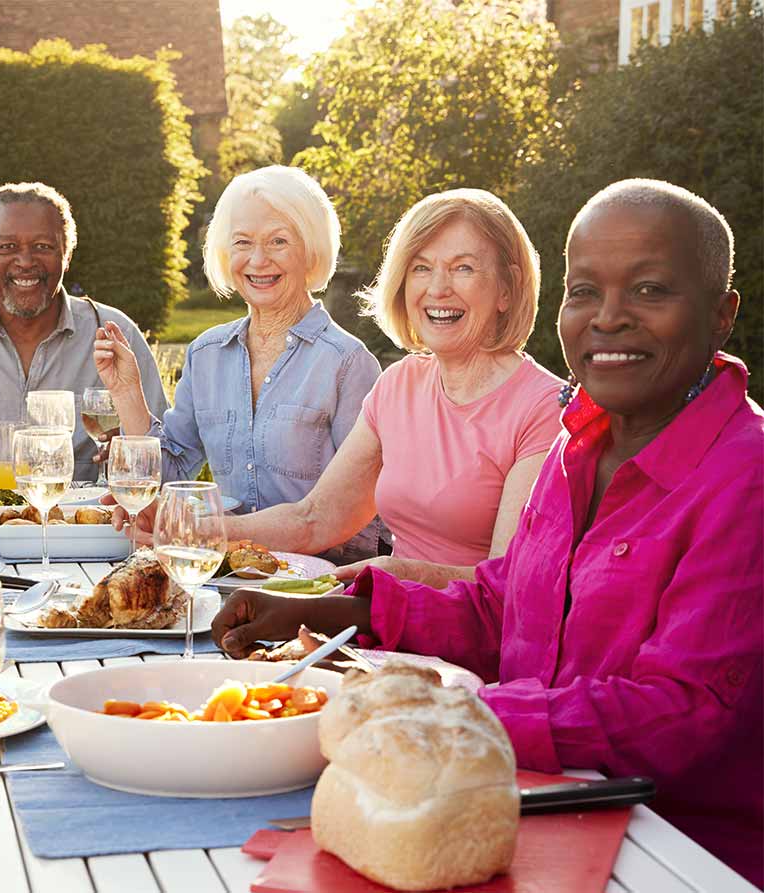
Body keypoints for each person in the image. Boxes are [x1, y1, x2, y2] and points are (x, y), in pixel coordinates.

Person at [211, 179, 762, 885]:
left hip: (677, 853)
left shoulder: (745, 476)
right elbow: (504, 605)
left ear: (721, 315)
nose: (610, 318)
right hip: (528, 800)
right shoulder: (579, 444)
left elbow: (681, 711)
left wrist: (452, 711)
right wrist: (336, 611)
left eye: (651, 291)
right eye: (586, 290)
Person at [117, 188, 562, 587]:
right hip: (384, 624)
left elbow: (512, 586)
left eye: (463, 268)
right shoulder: (400, 383)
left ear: (508, 288)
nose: (437, 288)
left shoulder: (544, 408)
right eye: (422, 268)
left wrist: (405, 576)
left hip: (472, 651)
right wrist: (183, 525)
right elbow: (314, 518)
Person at [94, 165, 381, 559]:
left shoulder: (348, 364)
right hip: (219, 573)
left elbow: (360, 521)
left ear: (311, 249)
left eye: (278, 241)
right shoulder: (206, 354)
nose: (258, 261)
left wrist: (201, 532)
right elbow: (172, 472)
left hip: (314, 585)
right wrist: (126, 392)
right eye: (243, 242)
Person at [0, 181, 169, 482]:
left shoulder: (114, 334)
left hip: (77, 526)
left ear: (67, 254)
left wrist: (130, 455)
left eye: (43, 247)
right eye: (7, 247)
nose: (25, 262)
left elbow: (164, 459)